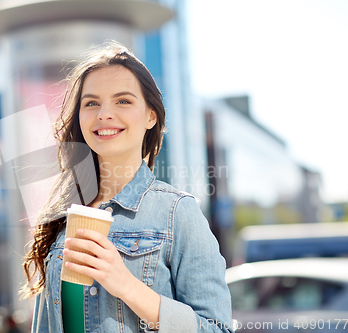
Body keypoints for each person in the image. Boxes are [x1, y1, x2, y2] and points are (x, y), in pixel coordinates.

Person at [21, 40, 233, 333]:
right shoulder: (63, 215)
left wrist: (126, 285)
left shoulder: (176, 213)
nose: (104, 113)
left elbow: (217, 329)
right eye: (91, 103)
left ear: (150, 116)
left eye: (123, 100)